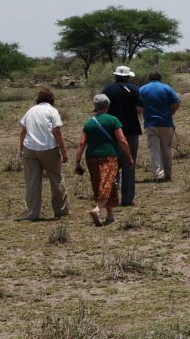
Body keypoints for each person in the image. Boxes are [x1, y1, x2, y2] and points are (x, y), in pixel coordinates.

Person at [74, 94, 134, 226]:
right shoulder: (113, 120)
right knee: (107, 183)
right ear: (108, 105)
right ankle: (97, 209)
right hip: (108, 156)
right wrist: (129, 157)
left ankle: (110, 215)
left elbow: (82, 143)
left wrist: (77, 162)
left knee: (102, 184)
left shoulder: (89, 123)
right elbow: (122, 140)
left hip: (91, 157)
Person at [18, 88, 69, 221]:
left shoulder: (30, 111)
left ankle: (33, 213)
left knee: (32, 182)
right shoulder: (52, 111)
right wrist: (64, 152)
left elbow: (23, 132)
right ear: (52, 99)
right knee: (56, 178)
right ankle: (61, 210)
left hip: (29, 148)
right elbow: (57, 132)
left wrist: (21, 149)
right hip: (49, 148)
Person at [102, 66, 143, 206]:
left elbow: (102, 109)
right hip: (131, 131)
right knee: (129, 164)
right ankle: (128, 198)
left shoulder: (107, 90)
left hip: (111, 131)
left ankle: (113, 196)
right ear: (128, 77)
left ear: (115, 76)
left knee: (112, 163)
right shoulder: (134, 89)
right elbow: (139, 108)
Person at [139, 70, 180, 183]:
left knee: (154, 150)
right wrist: (172, 112)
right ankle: (168, 173)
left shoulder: (142, 89)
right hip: (166, 123)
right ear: (160, 78)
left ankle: (158, 175)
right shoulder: (166, 88)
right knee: (166, 149)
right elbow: (176, 102)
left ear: (149, 78)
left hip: (150, 124)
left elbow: (137, 105)